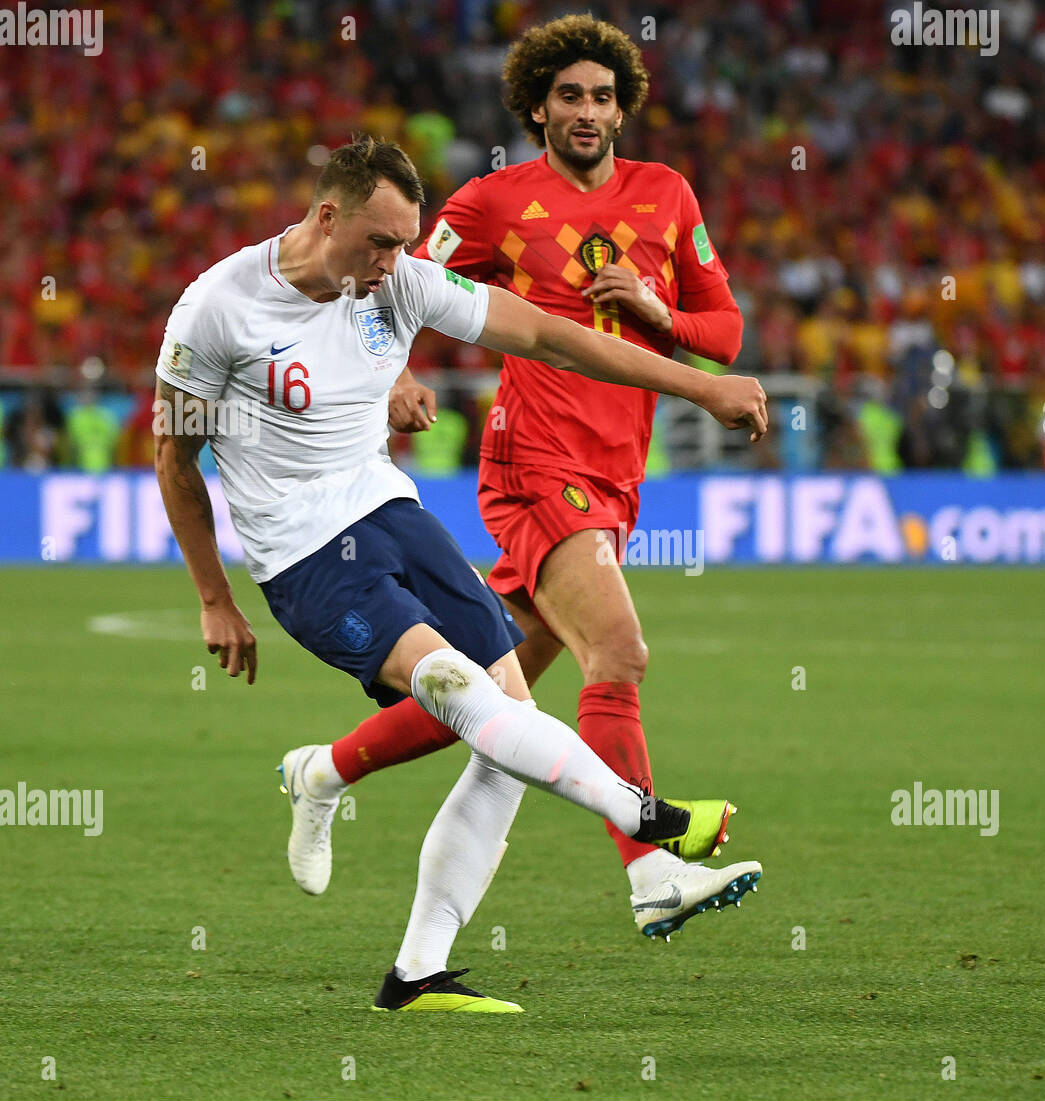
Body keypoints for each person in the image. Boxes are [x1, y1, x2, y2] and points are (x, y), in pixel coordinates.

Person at [154, 135, 768, 1011]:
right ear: (327, 217)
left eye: (406, 241)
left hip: (391, 513)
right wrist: (215, 597)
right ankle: (646, 820)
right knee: (455, 690)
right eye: (380, 241)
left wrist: (698, 386)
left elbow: (553, 336)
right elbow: (174, 459)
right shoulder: (215, 309)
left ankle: (415, 967)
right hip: (302, 555)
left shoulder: (396, 282)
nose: (396, 260)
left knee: (506, 730)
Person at [283, 15, 765, 940]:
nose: (588, 111)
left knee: (491, 700)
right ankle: (653, 868)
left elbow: (725, 331)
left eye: (603, 95)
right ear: (536, 106)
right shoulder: (493, 202)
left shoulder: (667, 195)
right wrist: (395, 372)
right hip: (534, 460)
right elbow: (389, 283)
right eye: (569, 95)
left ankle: (325, 772)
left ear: (623, 107)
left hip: (618, 472)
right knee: (618, 653)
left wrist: (656, 309)